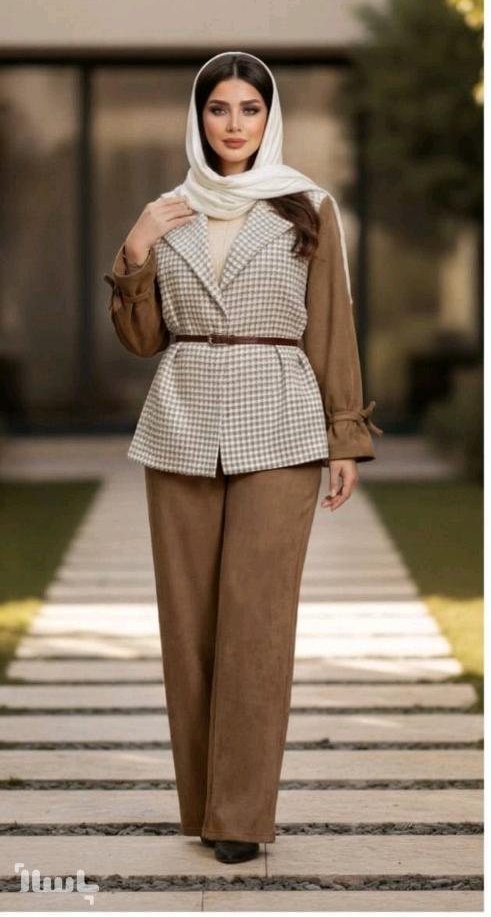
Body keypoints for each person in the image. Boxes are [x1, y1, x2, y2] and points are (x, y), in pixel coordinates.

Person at [103, 51, 383, 864]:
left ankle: (239, 817)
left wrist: (344, 437)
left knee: (256, 622)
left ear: (269, 117)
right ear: (198, 118)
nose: (233, 124)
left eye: (248, 109)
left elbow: (330, 324)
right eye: (218, 108)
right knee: (188, 623)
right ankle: (204, 805)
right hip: (182, 422)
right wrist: (135, 250)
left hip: (282, 423)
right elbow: (141, 340)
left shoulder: (307, 207)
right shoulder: (167, 211)